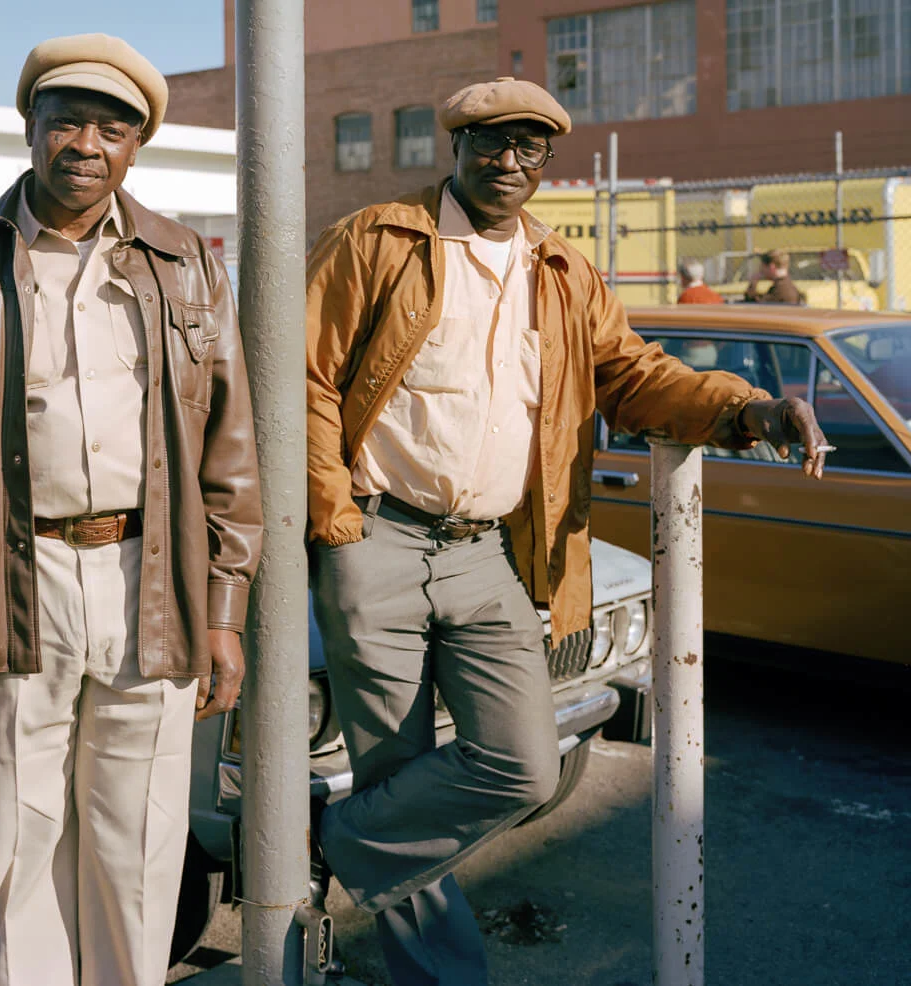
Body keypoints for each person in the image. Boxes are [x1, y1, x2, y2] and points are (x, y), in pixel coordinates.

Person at [305, 76, 830, 986]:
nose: (510, 163)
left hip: (487, 551)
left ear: (547, 162)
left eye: (530, 149)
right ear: (458, 146)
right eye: (492, 143)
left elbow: (633, 373)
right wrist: (335, 521)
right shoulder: (377, 239)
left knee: (518, 766)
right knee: (396, 769)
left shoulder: (563, 270)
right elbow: (305, 376)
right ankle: (440, 976)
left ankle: (336, 840)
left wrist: (748, 409)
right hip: (378, 536)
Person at [0, 33, 262, 986]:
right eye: (66, 122)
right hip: (18, 586)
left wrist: (223, 612)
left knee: (140, 846)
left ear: (137, 146)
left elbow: (231, 452)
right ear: (30, 131)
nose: (86, 144)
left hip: (153, 584)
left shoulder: (184, 264)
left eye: (112, 127)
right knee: (24, 844)